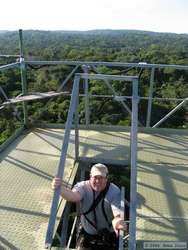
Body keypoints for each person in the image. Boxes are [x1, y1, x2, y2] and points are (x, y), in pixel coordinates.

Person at [51, 163, 126, 250]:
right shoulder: (82, 186)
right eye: (95, 177)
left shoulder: (114, 191)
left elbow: (117, 214)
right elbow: (73, 196)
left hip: (108, 234)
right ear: (90, 177)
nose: (97, 181)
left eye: (101, 178)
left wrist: (117, 222)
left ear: (106, 178)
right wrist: (60, 189)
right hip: (88, 232)